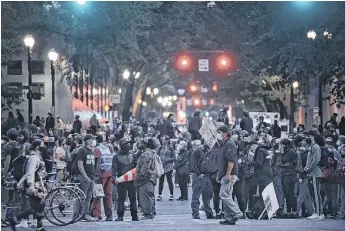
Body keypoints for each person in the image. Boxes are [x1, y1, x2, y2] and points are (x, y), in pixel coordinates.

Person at [10, 139, 47, 231]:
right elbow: (30, 172)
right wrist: (31, 186)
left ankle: (39, 226)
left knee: (40, 205)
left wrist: (42, 186)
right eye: (42, 145)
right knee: (37, 206)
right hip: (33, 184)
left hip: (37, 184)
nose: (43, 147)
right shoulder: (33, 158)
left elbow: (37, 173)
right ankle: (15, 219)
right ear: (37, 146)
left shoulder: (37, 157)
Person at [216, 125, 242, 225]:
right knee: (227, 195)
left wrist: (228, 174)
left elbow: (231, 160)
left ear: (226, 133)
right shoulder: (225, 144)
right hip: (224, 174)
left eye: (220, 132)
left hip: (229, 174)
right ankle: (230, 218)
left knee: (223, 195)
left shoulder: (229, 144)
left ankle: (237, 212)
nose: (219, 134)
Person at [112, 137, 138, 221]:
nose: (129, 145)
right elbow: (114, 168)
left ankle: (134, 216)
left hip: (131, 180)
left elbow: (136, 167)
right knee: (121, 199)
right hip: (121, 179)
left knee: (133, 198)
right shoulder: (116, 156)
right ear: (123, 145)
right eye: (127, 143)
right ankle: (120, 216)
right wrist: (113, 178)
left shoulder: (132, 155)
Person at [190, 140, 214, 220]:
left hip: (207, 176)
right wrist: (198, 173)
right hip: (199, 176)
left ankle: (209, 213)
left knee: (207, 196)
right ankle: (195, 214)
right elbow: (193, 164)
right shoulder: (197, 151)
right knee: (196, 195)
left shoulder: (208, 151)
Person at [76, 134, 97, 221]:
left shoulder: (91, 150)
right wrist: (85, 176)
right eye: (92, 139)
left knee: (89, 197)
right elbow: (80, 165)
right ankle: (81, 215)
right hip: (84, 177)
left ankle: (86, 214)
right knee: (83, 197)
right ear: (88, 141)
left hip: (91, 177)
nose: (94, 141)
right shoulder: (82, 151)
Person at [92, 135, 114, 221]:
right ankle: (109, 215)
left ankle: (97, 214)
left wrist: (96, 175)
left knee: (98, 194)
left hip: (101, 174)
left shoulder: (96, 149)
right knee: (108, 195)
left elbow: (97, 162)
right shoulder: (106, 148)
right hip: (109, 172)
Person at [135, 138, 158, 220]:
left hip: (145, 180)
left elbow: (145, 168)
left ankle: (147, 214)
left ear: (145, 144)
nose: (139, 144)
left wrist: (139, 177)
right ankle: (148, 213)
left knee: (146, 198)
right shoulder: (148, 153)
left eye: (141, 143)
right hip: (148, 179)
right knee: (147, 197)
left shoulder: (146, 154)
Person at [305, 130, 323, 220]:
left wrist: (309, 168)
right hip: (312, 172)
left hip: (315, 173)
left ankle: (318, 213)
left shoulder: (315, 147)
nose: (306, 138)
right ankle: (318, 212)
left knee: (316, 194)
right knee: (313, 193)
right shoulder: (311, 146)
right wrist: (307, 167)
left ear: (312, 136)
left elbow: (316, 159)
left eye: (308, 136)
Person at [280, 139, 298, 218]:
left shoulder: (290, 151)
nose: (280, 146)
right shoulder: (286, 151)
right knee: (286, 193)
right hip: (284, 173)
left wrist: (281, 153)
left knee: (290, 193)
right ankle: (288, 211)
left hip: (290, 174)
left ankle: (294, 211)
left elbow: (283, 161)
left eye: (282, 145)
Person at [157, 136, 176, 201]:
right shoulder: (160, 147)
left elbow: (174, 158)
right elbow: (157, 156)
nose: (163, 140)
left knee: (169, 181)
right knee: (161, 181)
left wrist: (167, 160)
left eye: (164, 139)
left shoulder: (171, 148)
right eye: (162, 139)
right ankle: (159, 195)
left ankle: (171, 195)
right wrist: (159, 160)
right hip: (161, 167)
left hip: (169, 167)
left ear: (167, 140)